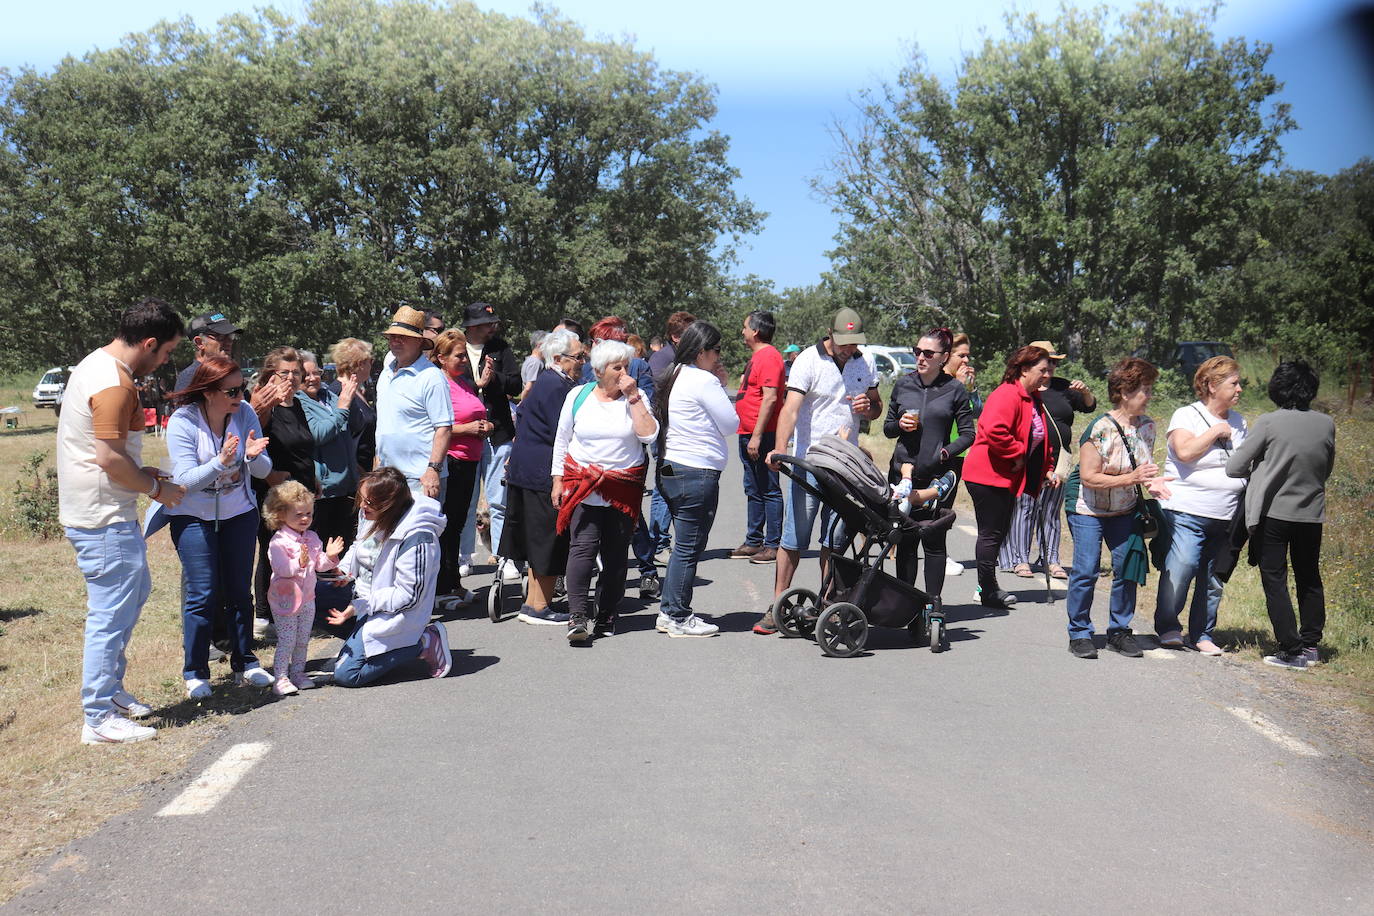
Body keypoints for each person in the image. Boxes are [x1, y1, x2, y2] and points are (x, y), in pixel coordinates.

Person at [59, 298, 186, 744]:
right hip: (102, 517)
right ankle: (97, 716)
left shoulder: (99, 366)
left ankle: (109, 692)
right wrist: (156, 490)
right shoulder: (113, 383)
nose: (166, 360)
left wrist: (142, 473)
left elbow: (109, 455)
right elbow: (108, 458)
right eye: (167, 351)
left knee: (133, 593)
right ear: (149, 343)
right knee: (110, 611)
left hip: (104, 510)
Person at [755, 308, 882, 635]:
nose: (849, 349)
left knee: (835, 538)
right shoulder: (807, 361)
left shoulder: (864, 361)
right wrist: (779, 450)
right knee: (794, 536)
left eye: (854, 343)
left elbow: (876, 405)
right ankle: (777, 605)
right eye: (844, 343)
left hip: (845, 464)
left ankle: (829, 606)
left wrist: (869, 408)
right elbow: (791, 409)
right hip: (810, 462)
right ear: (830, 333)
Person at [165, 355, 274, 699]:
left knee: (240, 592)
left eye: (242, 388)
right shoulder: (183, 421)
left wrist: (254, 457)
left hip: (238, 513)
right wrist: (221, 462)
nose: (240, 396)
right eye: (231, 390)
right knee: (202, 594)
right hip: (192, 516)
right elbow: (183, 480)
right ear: (208, 392)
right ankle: (195, 672)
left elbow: (262, 470)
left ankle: (246, 662)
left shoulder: (243, 413)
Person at [1226, 361, 1336, 670]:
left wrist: (1263, 467)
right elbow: (1325, 469)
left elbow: (1234, 467)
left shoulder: (1269, 422)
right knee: (1309, 577)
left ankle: (1291, 649)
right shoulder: (1326, 423)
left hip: (1274, 514)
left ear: (1278, 388)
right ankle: (1312, 645)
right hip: (1311, 513)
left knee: (1275, 579)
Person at [1061, 357, 1171, 659]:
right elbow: (1089, 477)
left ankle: (1119, 632)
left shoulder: (1147, 427)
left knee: (1127, 567)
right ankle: (1080, 633)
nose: (1150, 396)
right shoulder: (1100, 429)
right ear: (1124, 391)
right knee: (1086, 570)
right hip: (1088, 508)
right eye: (1145, 390)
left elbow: (1143, 467)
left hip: (1125, 508)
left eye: (1150, 389)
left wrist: (1154, 484)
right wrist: (1131, 477)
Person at [551, 340, 659, 642]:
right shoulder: (578, 395)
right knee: (582, 550)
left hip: (622, 488)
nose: (624, 372)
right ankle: (577, 617)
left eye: (627, 366)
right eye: (617, 367)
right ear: (599, 371)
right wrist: (557, 479)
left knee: (615, 555)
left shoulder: (635, 398)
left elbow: (649, 435)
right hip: (582, 485)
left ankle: (608, 613)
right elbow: (562, 440)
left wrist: (634, 398)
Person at [1153, 356, 1247, 656]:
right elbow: (1183, 452)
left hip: (1227, 514)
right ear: (1210, 385)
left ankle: (1202, 633)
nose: (1240, 389)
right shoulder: (1187, 415)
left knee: (1213, 579)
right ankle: (1168, 626)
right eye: (1233, 383)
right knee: (1181, 569)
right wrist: (1215, 432)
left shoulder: (1240, 421)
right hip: (1187, 511)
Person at [324, 468, 452, 685]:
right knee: (308, 595)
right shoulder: (372, 513)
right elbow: (360, 546)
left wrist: (360, 606)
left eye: (369, 503)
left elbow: (409, 597)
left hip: (395, 613)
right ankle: (362, 641)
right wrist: (342, 571)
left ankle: (424, 641)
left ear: (389, 505)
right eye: (361, 499)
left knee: (347, 676)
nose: (362, 506)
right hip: (363, 600)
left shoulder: (418, 537)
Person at [653, 321, 737, 638]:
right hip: (696, 472)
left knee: (683, 547)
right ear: (702, 352)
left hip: (672, 466)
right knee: (688, 548)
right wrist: (721, 384)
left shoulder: (673, 374)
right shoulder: (704, 381)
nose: (719, 357)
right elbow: (730, 423)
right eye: (716, 350)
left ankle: (669, 610)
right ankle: (676, 614)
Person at [961, 346, 1057, 609]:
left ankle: (988, 586)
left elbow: (1039, 436)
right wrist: (1018, 455)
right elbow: (994, 430)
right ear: (1024, 369)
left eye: (1049, 370)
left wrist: (1046, 467)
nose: (1047, 375)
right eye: (1042, 370)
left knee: (999, 532)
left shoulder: (1032, 398)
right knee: (992, 533)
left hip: (1006, 476)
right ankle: (986, 590)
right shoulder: (1007, 394)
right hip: (987, 475)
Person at [882, 327, 975, 599]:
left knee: (934, 542)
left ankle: (933, 606)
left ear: (943, 357)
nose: (920, 357)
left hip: (937, 478)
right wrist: (899, 424)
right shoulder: (903, 384)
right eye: (917, 351)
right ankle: (907, 603)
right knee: (907, 541)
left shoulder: (955, 389)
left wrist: (944, 454)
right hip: (903, 474)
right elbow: (887, 428)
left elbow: (969, 433)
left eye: (927, 353)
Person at [500, 329, 582, 625]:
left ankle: (534, 603)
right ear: (559, 359)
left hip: (527, 468)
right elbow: (563, 432)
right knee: (547, 538)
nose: (583, 362)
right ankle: (539, 607)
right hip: (541, 471)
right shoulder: (557, 386)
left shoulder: (548, 382)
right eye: (579, 357)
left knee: (537, 539)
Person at [579, 315, 663, 598]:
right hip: (591, 456)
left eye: (599, 339)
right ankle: (578, 576)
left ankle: (647, 571)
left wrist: (632, 396)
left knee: (631, 515)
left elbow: (650, 406)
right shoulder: (589, 366)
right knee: (586, 519)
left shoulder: (637, 365)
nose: (594, 344)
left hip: (628, 454)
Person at [997, 341, 1096, 581]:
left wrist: (1085, 392)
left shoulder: (1063, 387)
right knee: (1024, 507)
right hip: (1028, 456)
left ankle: (1051, 559)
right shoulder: (1021, 388)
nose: (1050, 367)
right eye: (1046, 362)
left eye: (1054, 362)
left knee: (1051, 510)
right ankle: (1019, 558)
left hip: (1059, 457)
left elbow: (1089, 407)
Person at [249, 347, 320, 630]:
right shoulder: (266, 406)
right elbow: (255, 439)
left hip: (300, 491)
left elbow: (302, 445)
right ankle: (265, 615)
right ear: (270, 375)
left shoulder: (298, 404)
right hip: (274, 493)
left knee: (298, 552)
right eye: (284, 372)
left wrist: (312, 477)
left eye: (296, 372)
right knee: (274, 553)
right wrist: (271, 479)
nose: (291, 378)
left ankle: (295, 608)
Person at [459, 302, 522, 582]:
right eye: (487, 323)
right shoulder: (456, 348)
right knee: (466, 500)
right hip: (465, 435)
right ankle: (463, 556)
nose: (492, 327)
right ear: (472, 326)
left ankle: (505, 556)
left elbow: (516, 385)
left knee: (499, 500)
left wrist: (493, 378)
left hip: (498, 433)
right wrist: (478, 384)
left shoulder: (501, 348)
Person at [263, 480, 343, 696]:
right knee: (287, 640)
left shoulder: (312, 538)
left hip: (308, 598)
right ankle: (280, 677)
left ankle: (298, 673)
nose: (305, 518)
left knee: (302, 639)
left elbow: (319, 565)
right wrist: (299, 562)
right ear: (280, 515)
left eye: (308, 513)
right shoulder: (279, 542)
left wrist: (331, 556)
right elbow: (281, 569)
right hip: (285, 600)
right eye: (298, 515)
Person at [432, 328, 491, 606]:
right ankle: (442, 586)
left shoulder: (464, 383)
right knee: (445, 524)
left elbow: (477, 412)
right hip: (451, 461)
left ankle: (452, 582)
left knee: (456, 525)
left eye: (465, 355)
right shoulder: (439, 384)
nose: (464, 360)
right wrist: (467, 428)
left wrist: (485, 426)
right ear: (441, 358)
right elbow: (435, 426)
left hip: (470, 461)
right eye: (458, 356)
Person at [375, 305, 453, 499]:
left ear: (419, 342)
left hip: (420, 479)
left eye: (403, 336)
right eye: (393, 336)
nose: (396, 340)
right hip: (387, 476)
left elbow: (443, 427)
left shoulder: (431, 377)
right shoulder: (385, 373)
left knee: (418, 530)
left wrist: (433, 469)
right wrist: (377, 462)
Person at [731, 310, 786, 564]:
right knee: (753, 487)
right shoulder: (758, 356)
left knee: (769, 488)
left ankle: (773, 545)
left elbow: (771, 397)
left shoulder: (770, 357)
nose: (742, 331)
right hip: (748, 432)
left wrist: (757, 435)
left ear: (755, 330)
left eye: (744, 327)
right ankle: (754, 540)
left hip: (762, 435)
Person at [298, 350, 362, 548]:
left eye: (316, 372)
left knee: (345, 549)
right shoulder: (298, 402)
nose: (312, 378)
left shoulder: (329, 395)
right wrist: (342, 408)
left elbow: (357, 423)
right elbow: (316, 434)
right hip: (323, 492)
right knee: (323, 551)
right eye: (305, 374)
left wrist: (352, 398)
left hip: (348, 486)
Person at [328, 337, 377, 475]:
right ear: (360, 363)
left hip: (365, 470)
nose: (371, 366)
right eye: (370, 361)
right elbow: (336, 437)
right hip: (351, 474)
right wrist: (357, 470)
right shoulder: (337, 392)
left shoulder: (357, 391)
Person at [174, 311, 240, 392]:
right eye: (221, 337)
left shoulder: (229, 373)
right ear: (200, 343)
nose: (229, 342)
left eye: (230, 336)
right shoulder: (191, 378)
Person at [647, 310, 696, 379]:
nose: (696, 338)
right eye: (690, 335)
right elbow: (658, 387)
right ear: (675, 337)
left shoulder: (693, 357)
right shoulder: (660, 358)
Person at [519, 330, 547, 401]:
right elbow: (528, 388)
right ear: (540, 345)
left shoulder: (530, 360)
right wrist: (523, 404)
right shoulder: (536, 363)